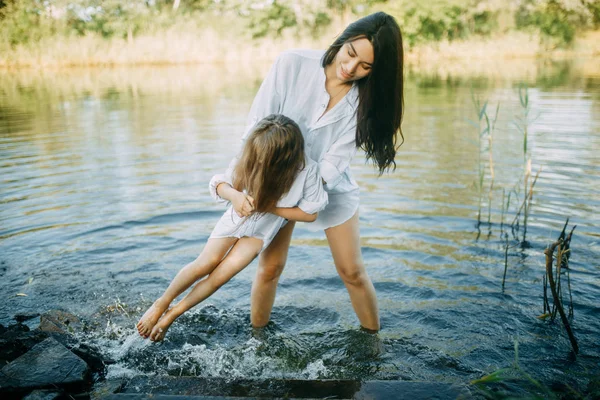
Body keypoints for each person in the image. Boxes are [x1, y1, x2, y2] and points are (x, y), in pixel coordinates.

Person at [220, 11, 404, 332]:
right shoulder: (292, 64)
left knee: (352, 272)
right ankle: (258, 341)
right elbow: (256, 126)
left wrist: (305, 195)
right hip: (277, 181)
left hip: (329, 186)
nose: (350, 68)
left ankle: (374, 346)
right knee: (270, 268)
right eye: (350, 53)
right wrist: (247, 182)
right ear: (343, 39)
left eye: (366, 66)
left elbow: (335, 162)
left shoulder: (364, 100)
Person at [136, 114, 328, 341]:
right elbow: (218, 183)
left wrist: (270, 208)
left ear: (284, 158)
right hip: (234, 220)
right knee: (205, 263)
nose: (258, 162)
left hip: (259, 234)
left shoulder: (307, 170)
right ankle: (162, 303)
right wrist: (235, 196)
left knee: (219, 278)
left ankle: (172, 315)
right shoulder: (253, 154)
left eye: (264, 160)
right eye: (257, 157)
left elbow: (310, 213)